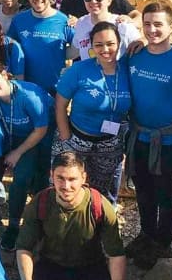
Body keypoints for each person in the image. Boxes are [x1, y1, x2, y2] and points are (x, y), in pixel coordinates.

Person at [15, 152, 127, 280]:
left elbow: (116, 254)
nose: (66, 186)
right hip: (51, 267)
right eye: (60, 178)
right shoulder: (40, 202)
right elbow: (24, 248)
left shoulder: (100, 206)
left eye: (72, 179)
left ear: (83, 178)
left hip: (90, 269)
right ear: (51, 175)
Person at [125, 3, 172, 269]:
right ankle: (146, 234)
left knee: (164, 191)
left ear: (171, 27)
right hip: (138, 136)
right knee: (143, 190)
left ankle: (162, 243)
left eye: (158, 24)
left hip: (167, 140)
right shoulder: (135, 55)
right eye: (147, 24)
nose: (152, 30)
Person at [0, 59, 54, 251]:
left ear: (4, 74)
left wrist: (18, 153)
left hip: (38, 134)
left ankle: (28, 222)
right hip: (12, 135)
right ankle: (2, 221)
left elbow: (41, 129)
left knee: (26, 176)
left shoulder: (28, 96)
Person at [55, 22, 131, 205]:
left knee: (101, 195)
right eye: (98, 45)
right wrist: (65, 137)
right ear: (91, 46)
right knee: (68, 191)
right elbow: (60, 105)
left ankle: (99, 221)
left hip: (110, 143)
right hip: (76, 139)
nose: (105, 49)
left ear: (119, 43)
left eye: (110, 44)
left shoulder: (128, 70)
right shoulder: (79, 70)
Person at [8, 0, 75, 93]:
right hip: (25, 89)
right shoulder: (18, 20)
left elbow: (78, 48)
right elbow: (9, 49)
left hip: (55, 90)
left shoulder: (64, 20)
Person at [71, 0, 141, 61]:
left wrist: (145, 40)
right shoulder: (81, 23)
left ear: (109, 1)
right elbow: (74, 50)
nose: (93, 1)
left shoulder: (122, 24)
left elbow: (141, 47)